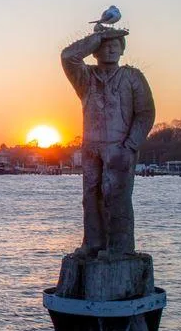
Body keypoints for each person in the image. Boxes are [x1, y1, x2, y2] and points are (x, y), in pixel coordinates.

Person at [61, 27, 155, 257]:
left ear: (122, 50)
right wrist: (97, 37)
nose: (111, 49)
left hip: (120, 146)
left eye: (115, 45)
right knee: (90, 196)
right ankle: (93, 243)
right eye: (105, 46)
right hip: (91, 147)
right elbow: (68, 57)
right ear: (95, 51)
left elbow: (145, 113)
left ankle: (119, 247)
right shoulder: (86, 78)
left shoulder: (132, 77)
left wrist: (131, 144)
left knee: (117, 196)